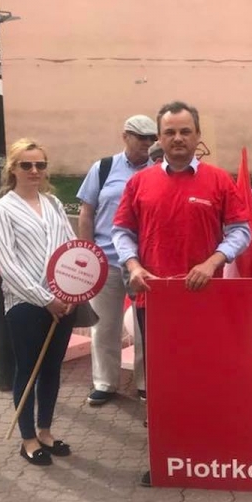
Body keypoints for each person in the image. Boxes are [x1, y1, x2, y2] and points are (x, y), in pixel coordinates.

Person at [112, 100, 252, 487]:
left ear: (198, 136)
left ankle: (209, 451)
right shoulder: (139, 183)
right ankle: (167, 456)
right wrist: (133, 265)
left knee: (205, 375)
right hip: (155, 300)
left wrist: (212, 262)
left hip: (205, 298)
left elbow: (240, 230)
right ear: (159, 137)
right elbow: (121, 231)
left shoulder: (218, 181)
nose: (177, 138)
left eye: (185, 131)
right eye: (170, 132)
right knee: (162, 382)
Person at [0, 139, 78, 467]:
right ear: (13, 169)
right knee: (27, 369)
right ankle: (27, 438)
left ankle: (45, 431)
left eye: (40, 164)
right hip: (25, 303)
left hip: (63, 301)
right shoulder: (2, 209)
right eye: (26, 165)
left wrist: (72, 291)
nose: (34, 170)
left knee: (52, 367)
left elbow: (71, 246)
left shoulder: (53, 203)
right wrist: (45, 298)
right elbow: (7, 264)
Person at [77, 115, 156, 406]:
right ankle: (105, 382)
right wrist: (88, 253)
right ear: (125, 136)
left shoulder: (158, 170)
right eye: (141, 137)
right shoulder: (103, 168)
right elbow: (87, 212)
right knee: (104, 324)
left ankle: (146, 382)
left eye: (151, 138)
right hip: (107, 259)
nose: (147, 143)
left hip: (143, 264)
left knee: (145, 326)